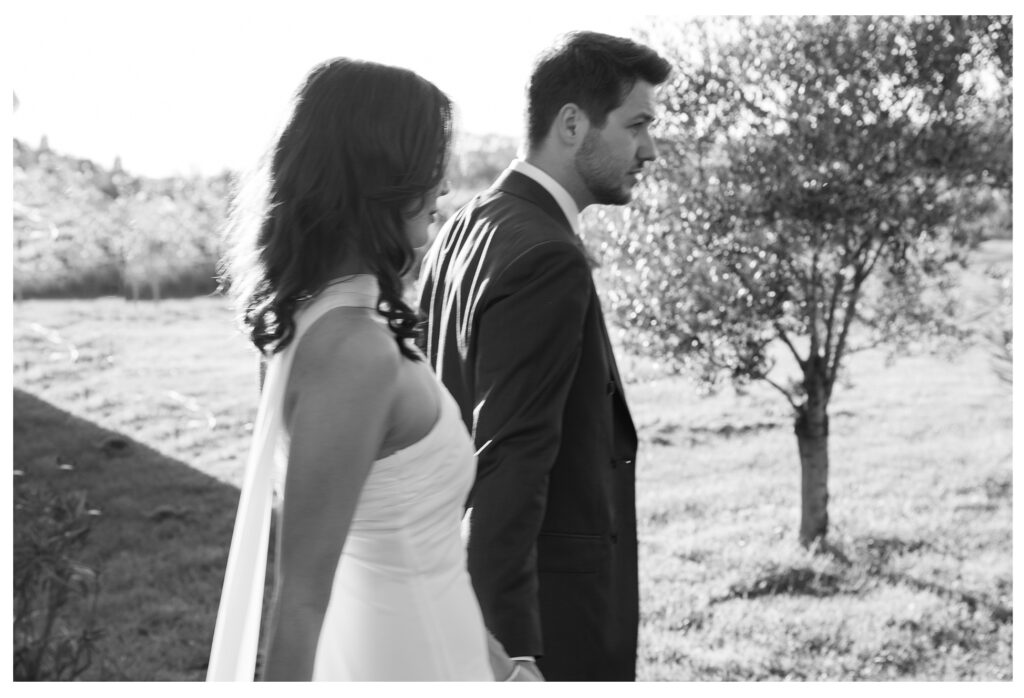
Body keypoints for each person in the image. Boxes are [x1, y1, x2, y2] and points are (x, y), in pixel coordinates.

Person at [206, 58, 526, 681]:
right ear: (379, 177)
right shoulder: (354, 352)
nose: (443, 189)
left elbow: (417, 557)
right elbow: (300, 600)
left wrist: (504, 670)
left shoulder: (317, 319)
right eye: (431, 166)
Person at [417, 31, 671, 681]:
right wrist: (509, 651)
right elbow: (509, 459)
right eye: (637, 125)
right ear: (571, 124)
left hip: (460, 577)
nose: (650, 150)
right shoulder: (549, 255)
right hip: (550, 617)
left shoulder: (465, 223)